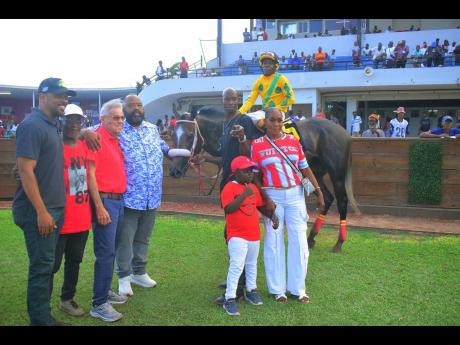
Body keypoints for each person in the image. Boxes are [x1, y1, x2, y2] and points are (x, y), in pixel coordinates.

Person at [191, 88, 270, 305]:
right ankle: (235, 280)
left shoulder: (243, 121)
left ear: (239, 101)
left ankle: (241, 287)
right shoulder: (226, 125)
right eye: (227, 99)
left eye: (234, 99)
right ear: (222, 101)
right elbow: (225, 158)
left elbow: (251, 154)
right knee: (232, 235)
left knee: (240, 237)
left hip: (243, 187)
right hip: (229, 186)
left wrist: (243, 137)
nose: (230, 102)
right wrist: (204, 158)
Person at [12, 77, 76, 326]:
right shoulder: (32, 125)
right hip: (38, 210)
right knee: (42, 267)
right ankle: (40, 321)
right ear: (43, 97)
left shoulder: (52, 124)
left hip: (52, 207)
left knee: (46, 264)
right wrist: (41, 211)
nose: (64, 101)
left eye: (66, 96)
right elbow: (26, 171)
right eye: (60, 95)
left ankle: (42, 316)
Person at [251, 107, 325, 304]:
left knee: (299, 241)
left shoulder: (293, 141)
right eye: (272, 120)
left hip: (295, 195)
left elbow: (305, 168)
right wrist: (265, 198)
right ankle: (278, 290)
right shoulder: (257, 145)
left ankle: (298, 289)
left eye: (279, 120)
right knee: (273, 242)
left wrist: (318, 191)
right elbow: (255, 176)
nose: (276, 124)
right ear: (265, 122)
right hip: (272, 195)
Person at [49, 104, 110, 317]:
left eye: (79, 121)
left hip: (81, 218)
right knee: (52, 265)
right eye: (70, 120)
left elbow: (91, 178)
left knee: (74, 262)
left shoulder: (85, 145)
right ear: (61, 122)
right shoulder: (54, 146)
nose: (74, 124)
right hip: (58, 218)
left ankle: (66, 299)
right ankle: (42, 304)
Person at [116, 94, 170, 298]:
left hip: (151, 195)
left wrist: (181, 153)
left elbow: (164, 149)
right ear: (124, 110)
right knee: (125, 239)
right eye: (131, 106)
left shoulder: (152, 129)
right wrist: (87, 133)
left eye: (139, 105)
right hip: (129, 197)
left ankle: (139, 272)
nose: (136, 109)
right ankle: (123, 277)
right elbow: (95, 131)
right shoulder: (118, 129)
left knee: (143, 238)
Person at [220, 156, 275, 316]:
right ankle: (229, 298)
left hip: (253, 234)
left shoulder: (252, 187)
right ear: (236, 172)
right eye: (246, 171)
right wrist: (244, 195)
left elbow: (259, 207)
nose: (250, 174)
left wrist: (273, 216)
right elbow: (228, 209)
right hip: (237, 235)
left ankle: (251, 290)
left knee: (251, 264)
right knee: (237, 265)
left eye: (252, 170)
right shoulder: (229, 187)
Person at [89, 99, 128, 322]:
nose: (120, 120)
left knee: (110, 251)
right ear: (102, 119)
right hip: (105, 202)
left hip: (118, 201)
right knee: (105, 254)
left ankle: (104, 293)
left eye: (121, 117)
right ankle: (99, 304)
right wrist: (99, 206)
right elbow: (90, 175)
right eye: (115, 117)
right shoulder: (97, 138)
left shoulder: (114, 139)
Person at [239, 51, 295, 115]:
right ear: (261, 65)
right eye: (264, 63)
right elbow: (250, 100)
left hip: (279, 112)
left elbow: (290, 98)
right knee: (247, 119)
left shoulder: (281, 79)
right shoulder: (259, 81)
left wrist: (275, 109)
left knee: (257, 120)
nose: (266, 65)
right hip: (265, 113)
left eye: (270, 63)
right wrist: (239, 112)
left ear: (275, 66)